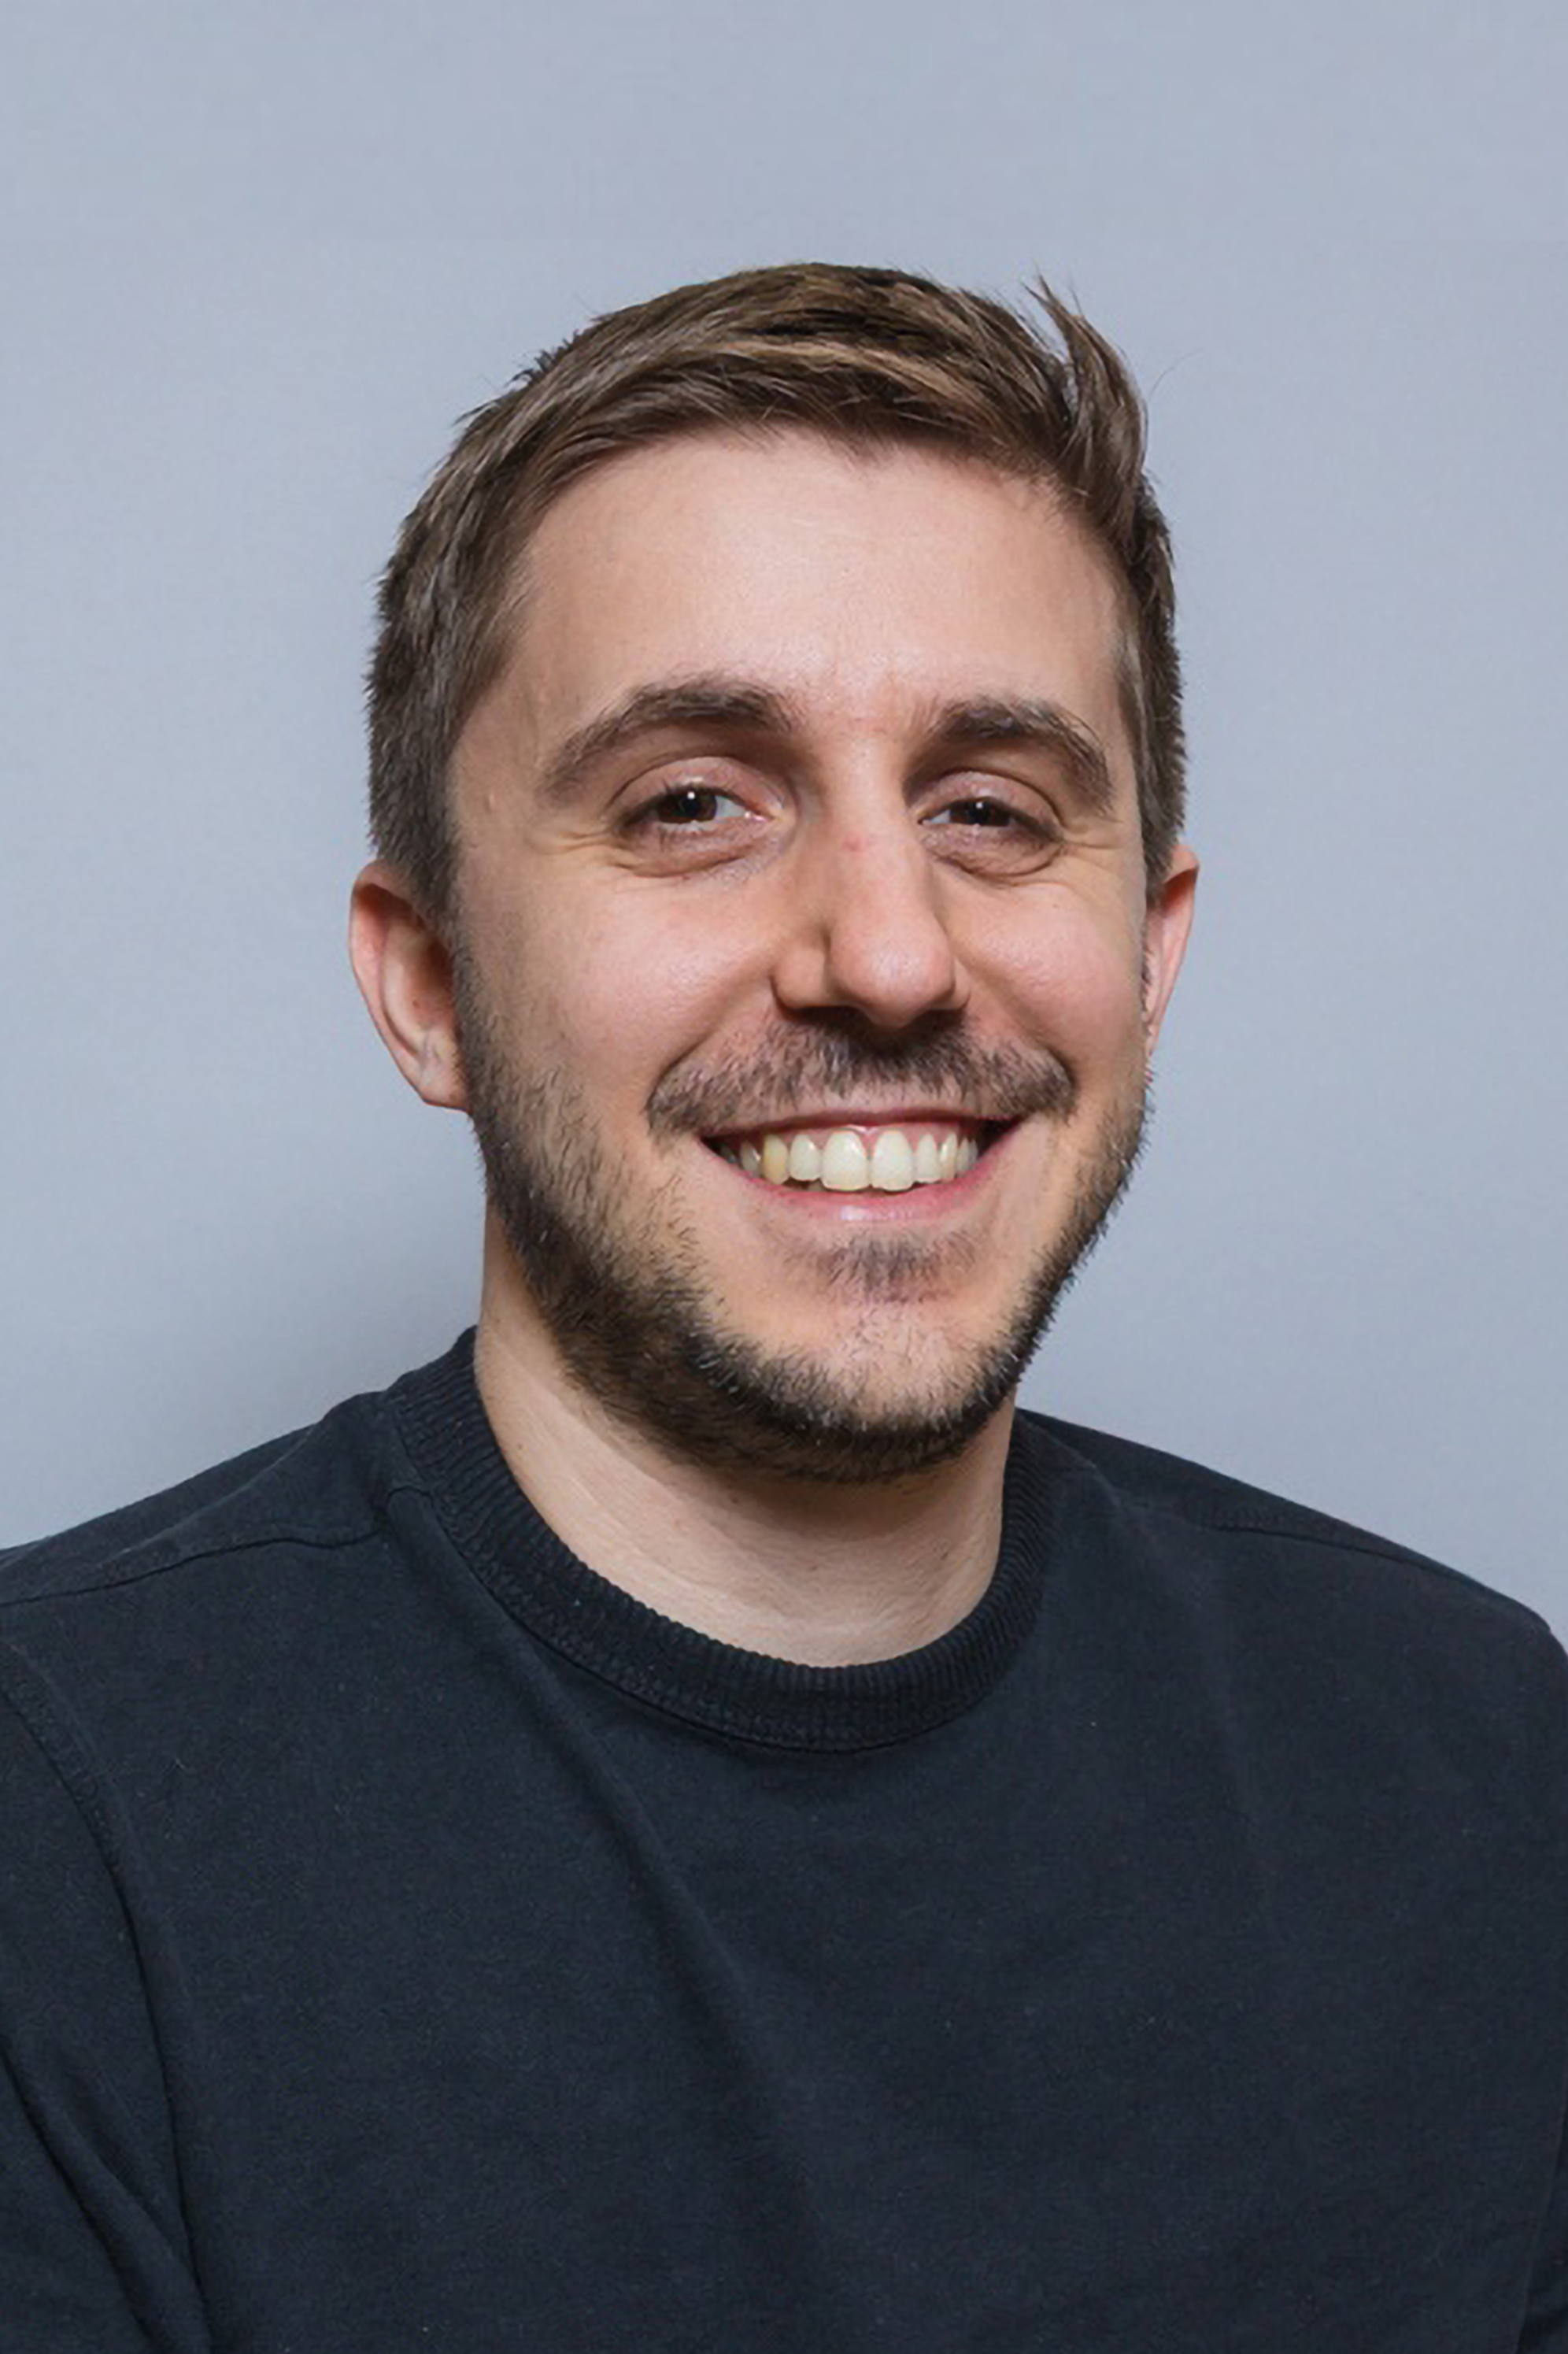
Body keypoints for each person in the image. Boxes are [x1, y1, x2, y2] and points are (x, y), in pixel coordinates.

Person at [2, 263, 1564, 2353]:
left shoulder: (1474, 1761)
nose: (888, 954)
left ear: (1151, 945)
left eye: (990, 807)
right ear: (430, 982)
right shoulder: (56, 1825)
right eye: (693, 803)